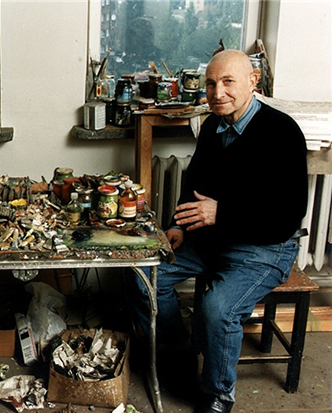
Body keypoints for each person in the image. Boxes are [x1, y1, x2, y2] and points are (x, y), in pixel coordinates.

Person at [132, 49, 308, 413]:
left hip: (266, 246)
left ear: (253, 82)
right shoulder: (213, 125)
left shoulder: (282, 132)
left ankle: (218, 393)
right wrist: (179, 225)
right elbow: (195, 182)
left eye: (228, 82)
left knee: (217, 309)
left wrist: (221, 213)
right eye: (211, 84)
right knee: (144, 274)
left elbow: (287, 216)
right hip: (212, 237)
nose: (218, 92)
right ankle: (179, 350)